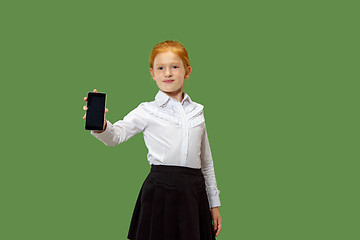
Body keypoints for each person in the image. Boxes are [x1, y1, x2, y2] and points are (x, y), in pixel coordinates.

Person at [82, 40, 222, 240]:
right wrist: (101, 124)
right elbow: (116, 136)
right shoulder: (147, 111)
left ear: (187, 71)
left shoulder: (197, 112)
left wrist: (214, 204)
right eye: (161, 68)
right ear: (152, 73)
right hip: (160, 193)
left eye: (175, 67)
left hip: (194, 194)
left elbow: (206, 162)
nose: (168, 73)